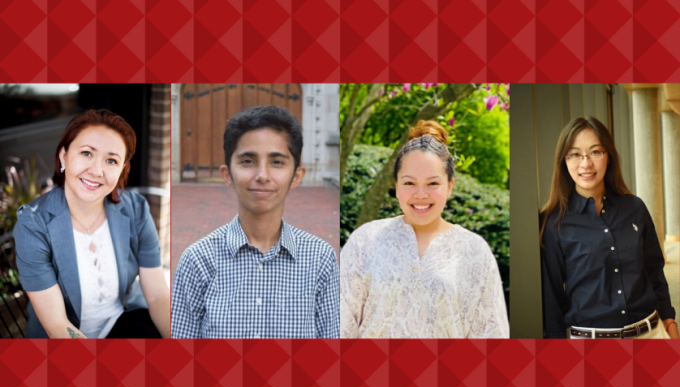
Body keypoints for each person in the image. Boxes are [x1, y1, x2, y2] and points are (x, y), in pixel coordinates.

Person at [171, 105, 339, 339]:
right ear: (227, 174)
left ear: (297, 176)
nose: (262, 175)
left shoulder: (320, 259)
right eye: (248, 161)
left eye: (277, 162)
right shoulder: (198, 260)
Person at [340, 120, 509, 338]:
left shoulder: (474, 251)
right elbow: (340, 325)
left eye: (432, 183)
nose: (420, 194)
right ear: (396, 185)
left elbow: (491, 335)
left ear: (449, 186)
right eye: (409, 183)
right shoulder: (365, 240)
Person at [14, 109, 170, 339]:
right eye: (87, 153)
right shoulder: (33, 225)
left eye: (111, 160)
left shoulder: (136, 209)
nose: (97, 171)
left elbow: (157, 295)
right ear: (64, 156)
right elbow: (57, 324)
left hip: (118, 324)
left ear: (121, 170)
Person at [540, 116, 677, 339]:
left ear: (608, 156)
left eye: (595, 152)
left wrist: (670, 321)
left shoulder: (635, 207)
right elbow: (552, 297)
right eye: (575, 154)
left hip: (652, 334)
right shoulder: (554, 223)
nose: (586, 164)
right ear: (564, 161)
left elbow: (654, 270)